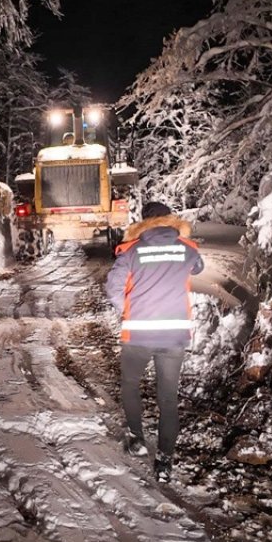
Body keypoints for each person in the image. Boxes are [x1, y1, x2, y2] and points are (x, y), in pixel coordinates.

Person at [104, 202, 203, 483]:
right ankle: (164, 463)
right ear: (170, 221)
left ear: (144, 223)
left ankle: (136, 437)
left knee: (130, 385)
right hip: (174, 334)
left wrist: (128, 310)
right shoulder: (188, 249)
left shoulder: (131, 251)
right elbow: (197, 268)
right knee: (168, 399)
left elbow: (113, 288)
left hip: (139, 333)